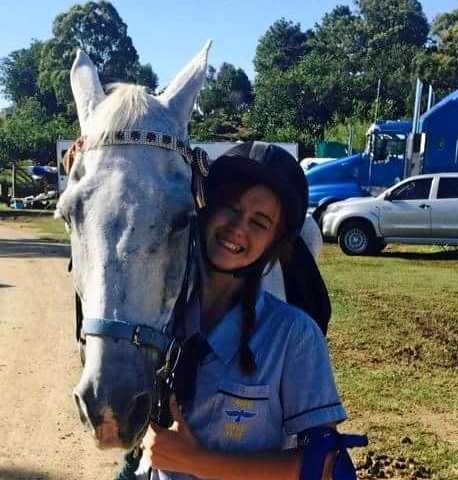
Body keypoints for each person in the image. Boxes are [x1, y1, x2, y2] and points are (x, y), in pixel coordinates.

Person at [140, 142, 349, 480]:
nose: (238, 227)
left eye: (260, 222)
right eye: (231, 207)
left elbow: (326, 467)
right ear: (206, 209)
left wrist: (193, 460)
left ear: (273, 244)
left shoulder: (293, 336)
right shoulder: (160, 315)